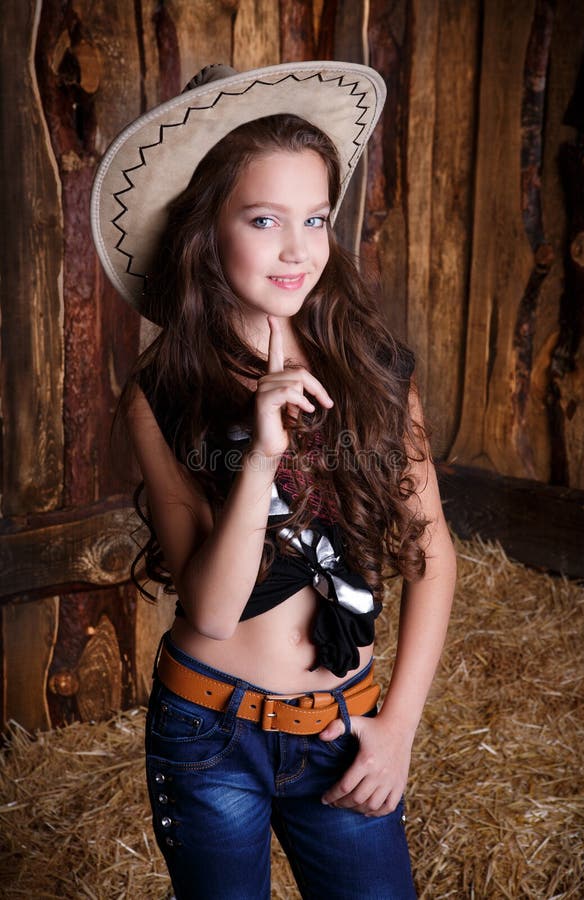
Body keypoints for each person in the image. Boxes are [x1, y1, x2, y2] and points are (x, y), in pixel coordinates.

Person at [91, 61, 456, 899]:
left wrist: (396, 727)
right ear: (206, 231)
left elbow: (433, 553)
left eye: (317, 219)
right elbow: (214, 612)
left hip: (344, 726)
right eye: (264, 219)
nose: (299, 250)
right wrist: (259, 454)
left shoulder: (377, 373)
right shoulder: (163, 397)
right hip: (210, 730)